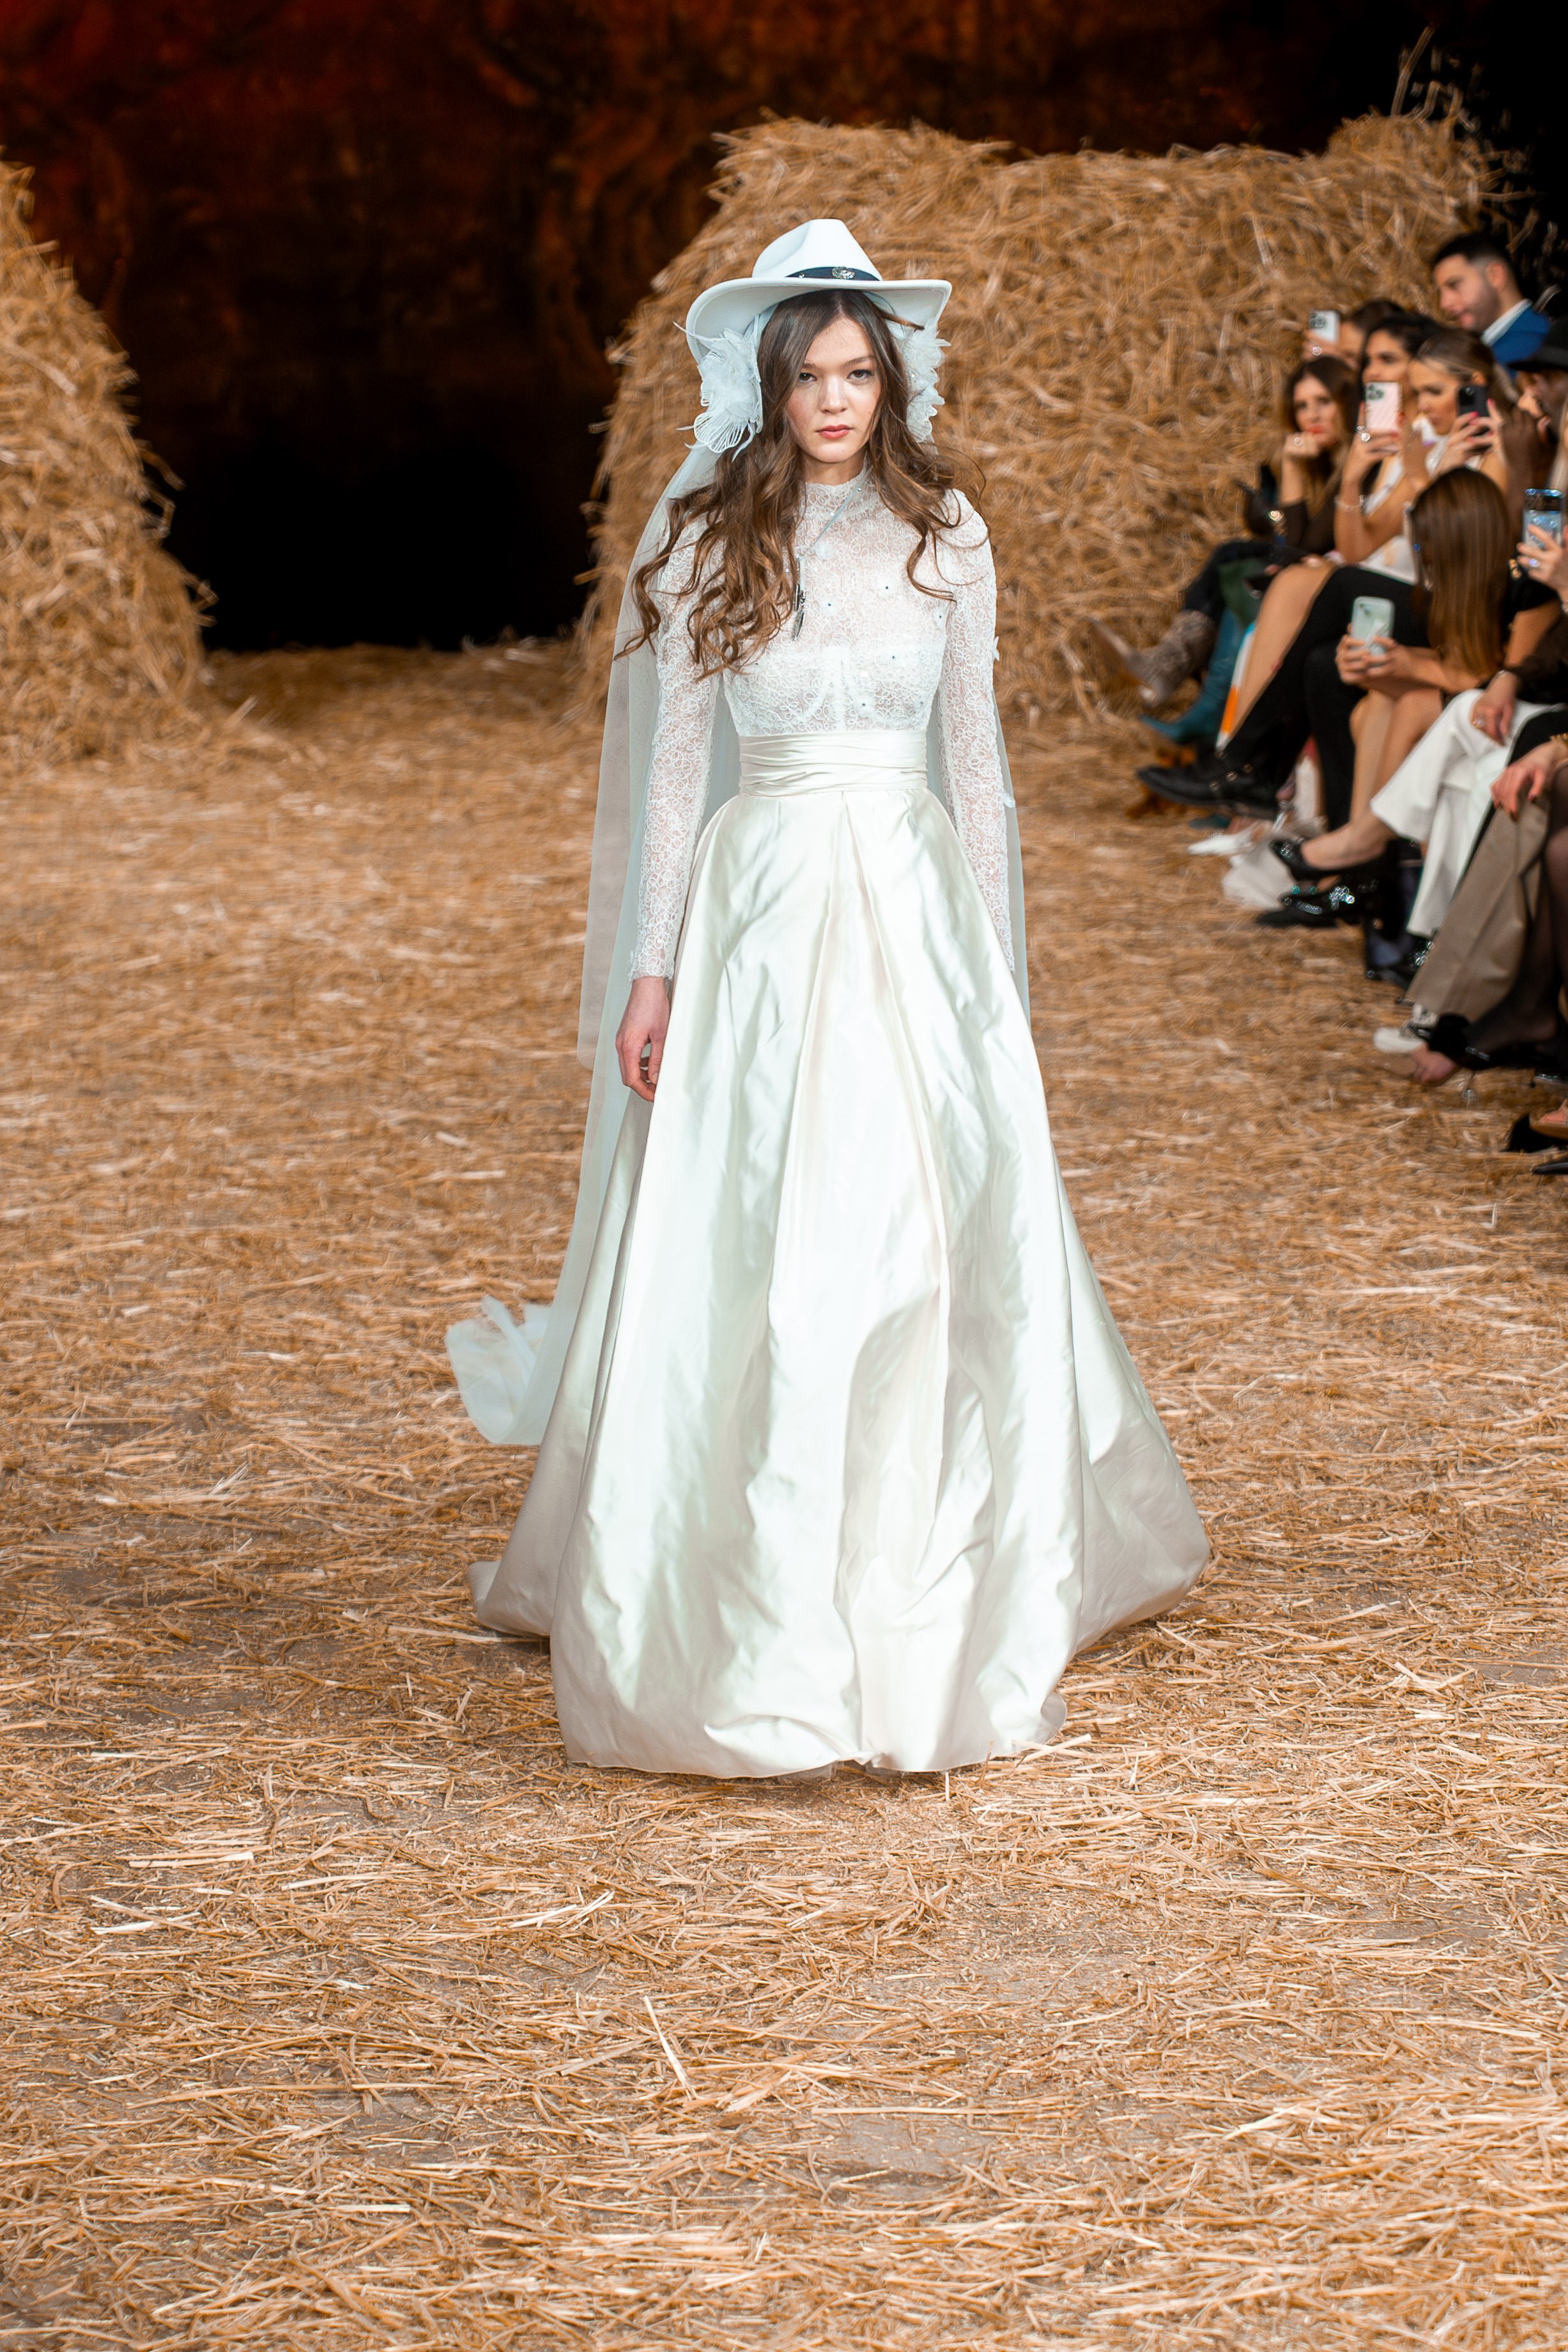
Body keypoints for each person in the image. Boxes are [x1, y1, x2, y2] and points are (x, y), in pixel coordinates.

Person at [446, 220, 1206, 1780]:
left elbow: (976, 765)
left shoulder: (948, 535)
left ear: (893, 383)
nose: (838, 400)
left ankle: (934, 1569)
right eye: (812, 375)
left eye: (861, 373)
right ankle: (743, 1585)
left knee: (920, 1235)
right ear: (771, 388)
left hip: (916, 913)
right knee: (763, 1230)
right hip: (763, 915)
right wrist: (652, 968)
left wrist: (995, 968)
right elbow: (670, 778)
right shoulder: (704, 543)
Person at [1091, 354, 1357, 711]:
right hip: (1315, 576)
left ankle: (1175, 676)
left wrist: (1292, 467)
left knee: (1239, 565)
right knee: (1232, 557)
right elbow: (1296, 542)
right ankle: (1172, 670)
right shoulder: (1330, 465)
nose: (1312, 416)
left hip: (1336, 585)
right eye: (1302, 406)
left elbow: (1300, 544)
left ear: (1347, 401)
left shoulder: (1357, 464)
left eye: (1324, 402)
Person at [1431, 229, 1551, 370]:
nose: (1444, 304)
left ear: (1495, 276)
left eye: (1454, 285)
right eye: (1441, 292)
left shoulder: (1524, 349)